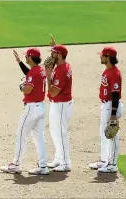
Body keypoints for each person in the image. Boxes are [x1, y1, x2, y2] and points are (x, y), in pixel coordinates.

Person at [0, 48, 49, 175]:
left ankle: (16, 164)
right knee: (39, 138)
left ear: (31, 58)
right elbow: (30, 74)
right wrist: (19, 62)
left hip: (31, 109)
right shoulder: (40, 70)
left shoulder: (33, 73)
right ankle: (43, 166)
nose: (26, 58)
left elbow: (27, 89)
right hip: (41, 108)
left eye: (27, 56)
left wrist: (21, 85)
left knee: (21, 135)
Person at [89, 47, 123, 173]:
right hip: (106, 105)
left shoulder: (114, 73)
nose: (100, 57)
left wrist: (113, 115)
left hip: (111, 106)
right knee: (104, 134)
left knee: (112, 135)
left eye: (102, 55)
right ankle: (104, 161)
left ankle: (113, 164)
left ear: (108, 57)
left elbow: (115, 94)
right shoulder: (108, 70)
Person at [44, 35, 74, 172]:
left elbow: (54, 92)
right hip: (59, 104)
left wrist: (48, 76)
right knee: (54, 131)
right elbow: (57, 56)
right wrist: (54, 46)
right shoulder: (63, 64)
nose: (51, 55)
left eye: (54, 53)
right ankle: (58, 158)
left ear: (60, 55)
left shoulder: (61, 71)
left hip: (61, 104)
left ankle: (65, 162)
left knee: (60, 133)